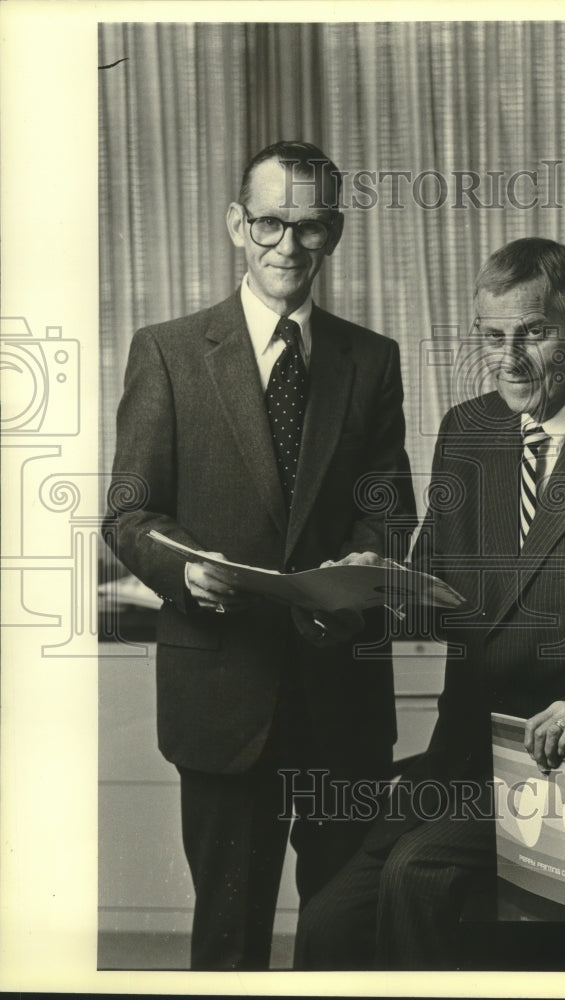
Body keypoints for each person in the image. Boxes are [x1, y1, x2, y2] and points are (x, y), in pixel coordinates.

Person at [294, 237, 565, 970]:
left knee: (416, 877)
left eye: (533, 333)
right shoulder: (469, 431)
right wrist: (364, 592)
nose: (509, 360)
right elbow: (436, 592)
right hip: (463, 766)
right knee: (330, 922)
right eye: (491, 337)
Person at [103, 140, 415, 970]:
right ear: (237, 224)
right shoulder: (167, 351)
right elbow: (129, 515)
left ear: (334, 234)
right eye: (271, 222)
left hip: (340, 697)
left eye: (309, 227)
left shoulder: (371, 359)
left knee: (343, 934)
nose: (287, 245)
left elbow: (390, 515)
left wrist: (353, 574)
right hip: (222, 700)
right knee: (229, 940)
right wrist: (184, 571)